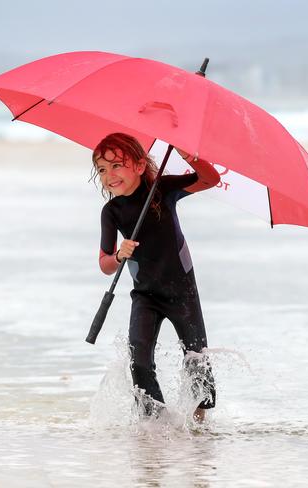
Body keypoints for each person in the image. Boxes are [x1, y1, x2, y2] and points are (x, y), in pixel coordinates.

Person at [92, 132, 220, 422]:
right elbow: (105, 264)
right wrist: (119, 254)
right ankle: (154, 423)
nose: (109, 175)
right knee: (139, 361)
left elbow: (209, 179)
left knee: (196, 356)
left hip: (182, 292)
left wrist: (189, 156)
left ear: (139, 166)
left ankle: (200, 423)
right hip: (145, 295)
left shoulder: (161, 189)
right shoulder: (111, 212)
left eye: (116, 165)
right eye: (102, 169)